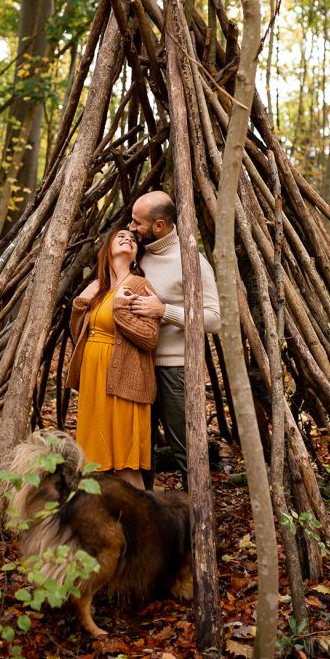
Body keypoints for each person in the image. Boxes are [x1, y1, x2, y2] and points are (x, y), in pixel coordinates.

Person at [128, 191, 220, 488]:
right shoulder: (138, 254)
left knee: (184, 446)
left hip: (174, 369)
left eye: (137, 222)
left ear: (158, 226)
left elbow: (214, 319)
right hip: (138, 366)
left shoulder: (192, 261)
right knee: (141, 449)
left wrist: (164, 311)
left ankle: (196, 520)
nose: (131, 227)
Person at [67, 227, 160, 490]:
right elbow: (82, 336)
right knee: (95, 463)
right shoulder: (98, 287)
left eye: (132, 240)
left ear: (134, 256)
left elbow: (150, 337)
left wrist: (120, 308)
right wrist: (79, 306)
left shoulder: (139, 286)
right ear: (107, 248)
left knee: (125, 465)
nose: (127, 239)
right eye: (121, 236)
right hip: (93, 381)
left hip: (123, 384)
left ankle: (143, 525)